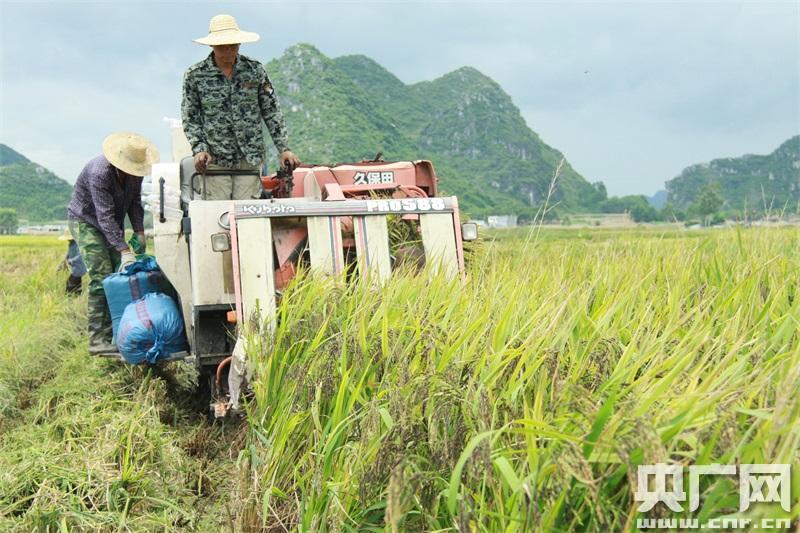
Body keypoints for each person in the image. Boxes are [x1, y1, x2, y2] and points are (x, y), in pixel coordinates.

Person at [181, 14, 301, 201]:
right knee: (218, 216)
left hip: (249, 159)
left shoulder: (254, 71)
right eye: (223, 46)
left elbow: (271, 111)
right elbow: (190, 117)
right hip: (215, 159)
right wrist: (199, 149)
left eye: (233, 45)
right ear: (212, 45)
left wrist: (284, 148)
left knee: (247, 215)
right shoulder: (195, 75)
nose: (228, 51)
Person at [67, 132, 159, 354]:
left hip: (109, 223)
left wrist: (139, 231)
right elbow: (104, 217)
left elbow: (135, 204)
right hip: (86, 221)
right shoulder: (100, 173)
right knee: (101, 277)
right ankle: (97, 340)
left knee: (119, 277)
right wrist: (123, 248)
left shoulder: (135, 173)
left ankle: (118, 332)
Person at [57, 228, 87, 295]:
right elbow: (68, 254)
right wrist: (63, 263)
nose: (68, 240)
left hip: (80, 267)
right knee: (76, 282)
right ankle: (76, 296)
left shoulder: (78, 245)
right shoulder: (71, 244)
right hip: (75, 267)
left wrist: (71, 260)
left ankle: (70, 296)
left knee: (71, 282)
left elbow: (80, 255)